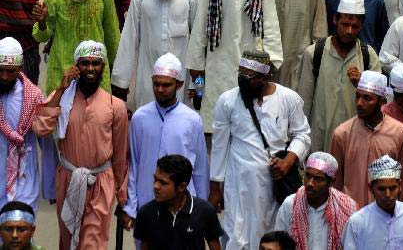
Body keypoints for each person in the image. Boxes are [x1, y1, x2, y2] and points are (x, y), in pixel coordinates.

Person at [187, 0, 283, 133]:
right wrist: (196, 62)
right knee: (219, 125)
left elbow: (270, 20)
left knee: (248, 126)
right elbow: (203, 19)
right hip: (219, 57)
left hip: (251, 59)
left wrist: (272, 59)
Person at [209, 51, 311, 250]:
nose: (243, 81)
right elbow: (219, 147)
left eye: (250, 77)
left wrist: (288, 161)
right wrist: (215, 190)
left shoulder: (288, 99)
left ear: (266, 77)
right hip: (238, 187)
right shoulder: (227, 101)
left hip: (274, 187)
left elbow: (303, 135)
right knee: (236, 238)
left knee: (270, 238)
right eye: (241, 75)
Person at [45, 41, 128, 250]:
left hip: (100, 183)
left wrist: (122, 193)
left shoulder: (115, 106)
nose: (90, 68)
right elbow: (41, 126)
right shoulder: (62, 99)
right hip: (68, 179)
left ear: (103, 67)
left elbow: (119, 155)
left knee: (93, 243)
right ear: (76, 66)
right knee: (67, 241)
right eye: (85, 63)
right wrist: (60, 88)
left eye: (96, 63)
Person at [121, 54, 210, 233]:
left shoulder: (192, 119)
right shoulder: (140, 117)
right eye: (156, 84)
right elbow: (133, 165)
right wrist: (131, 206)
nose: (160, 89)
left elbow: (200, 167)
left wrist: (203, 207)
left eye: (166, 85)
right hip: (147, 201)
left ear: (179, 84)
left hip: (183, 203)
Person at [110, 0, 199, 111]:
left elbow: (198, 43)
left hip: (181, 82)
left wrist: (198, 85)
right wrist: (120, 82)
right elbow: (129, 39)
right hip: (148, 79)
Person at [296, 0, 381, 153]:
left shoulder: (368, 55)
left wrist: (363, 83)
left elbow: (379, 104)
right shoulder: (315, 53)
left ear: (361, 26)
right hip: (320, 140)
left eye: (354, 26)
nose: (349, 31)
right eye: (345, 24)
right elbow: (303, 103)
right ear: (335, 20)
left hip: (357, 142)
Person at [31, 0, 120, 94]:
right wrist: (41, 22)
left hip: (96, 71)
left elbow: (112, 35)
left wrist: (117, 75)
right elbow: (41, 37)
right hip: (62, 70)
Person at [330, 69, 403, 208]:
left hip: (387, 214)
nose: (359, 103)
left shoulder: (399, 132)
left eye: (367, 98)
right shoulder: (342, 134)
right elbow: (335, 183)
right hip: (350, 214)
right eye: (357, 96)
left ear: (382, 101)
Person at [0, 37, 59, 212]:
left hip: (25, 180)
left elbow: (46, 142)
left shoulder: (32, 96)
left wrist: (50, 187)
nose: (4, 77)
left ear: (19, 69)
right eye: (0, 71)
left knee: (21, 235)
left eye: (9, 72)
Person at [341, 155, 403, 250]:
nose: (388, 194)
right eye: (381, 189)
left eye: (393, 188)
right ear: (371, 188)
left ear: (400, 186)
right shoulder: (357, 223)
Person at [134, 154, 223, 250]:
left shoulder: (205, 211)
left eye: (163, 183)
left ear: (181, 187)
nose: (156, 186)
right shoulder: (145, 213)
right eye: (155, 179)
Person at [275, 151, 356, 250]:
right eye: (308, 176)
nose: (310, 183)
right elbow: (278, 244)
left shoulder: (346, 207)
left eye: (318, 179)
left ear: (331, 182)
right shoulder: (290, 204)